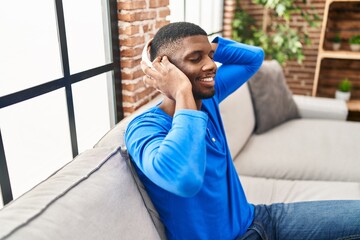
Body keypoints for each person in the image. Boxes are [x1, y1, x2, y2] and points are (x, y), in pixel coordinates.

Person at [125, 22, 360, 240]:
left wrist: (210, 46)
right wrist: (182, 91)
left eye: (210, 56)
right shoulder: (144, 128)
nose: (210, 65)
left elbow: (253, 58)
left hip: (260, 219)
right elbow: (184, 180)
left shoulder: (208, 100)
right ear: (165, 70)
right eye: (195, 58)